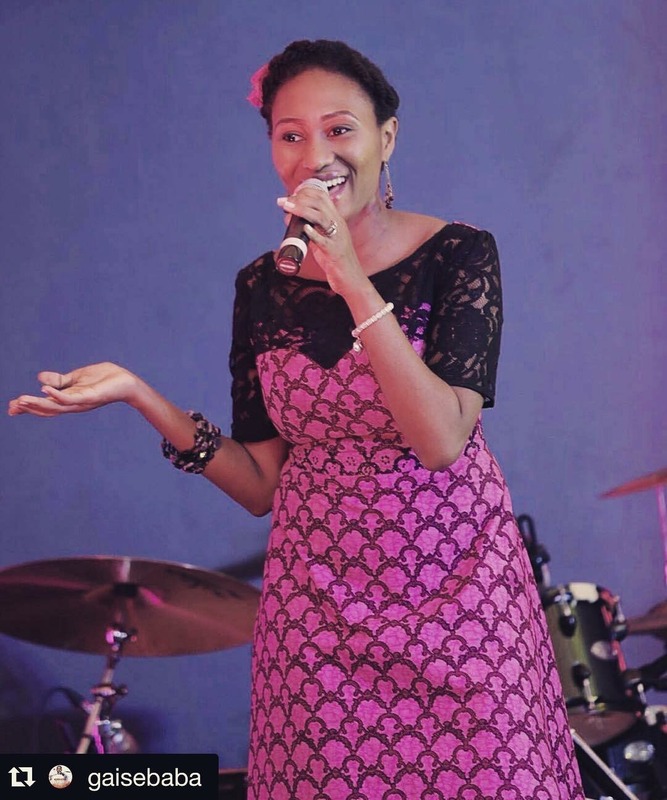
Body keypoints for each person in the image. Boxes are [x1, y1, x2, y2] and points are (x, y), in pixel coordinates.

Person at [9, 39, 584, 800]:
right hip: (316, 614)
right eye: (291, 135)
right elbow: (259, 484)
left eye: (339, 129)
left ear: (386, 137)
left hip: (459, 597)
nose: (316, 155)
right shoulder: (261, 285)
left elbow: (442, 439)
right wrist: (140, 396)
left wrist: (349, 276)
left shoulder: (459, 254)